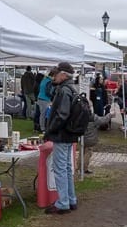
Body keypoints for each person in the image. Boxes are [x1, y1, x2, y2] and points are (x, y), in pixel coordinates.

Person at [44, 62, 78, 214]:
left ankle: (63, 202)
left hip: (62, 134)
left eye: (56, 73)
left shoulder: (64, 90)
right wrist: (52, 82)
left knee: (60, 169)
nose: (54, 76)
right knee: (67, 168)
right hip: (69, 134)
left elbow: (62, 115)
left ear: (64, 74)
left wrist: (50, 130)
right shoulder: (70, 88)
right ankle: (70, 199)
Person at [77, 106, 112, 174]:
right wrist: (109, 115)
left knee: (81, 153)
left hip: (82, 137)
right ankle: (84, 168)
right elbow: (103, 120)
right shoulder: (93, 117)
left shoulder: (79, 117)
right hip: (90, 140)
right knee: (88, 153)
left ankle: (79, 167)